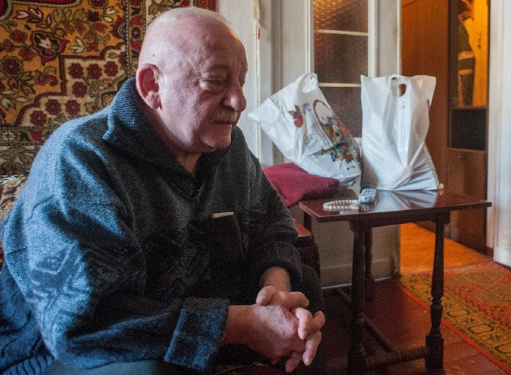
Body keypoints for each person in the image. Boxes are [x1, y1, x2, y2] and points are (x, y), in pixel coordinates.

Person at [0, 7, 325, 375]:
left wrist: (275, 293)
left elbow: (272, 226)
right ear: (153, 86)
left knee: (302, 296)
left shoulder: (229, 147)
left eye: (240, 81)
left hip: (183, 302)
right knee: (150, 370)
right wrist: (242, 325)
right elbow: (84, 324)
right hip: (60, 349)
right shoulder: (81, 157)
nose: (239, 101)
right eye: (216, 80)